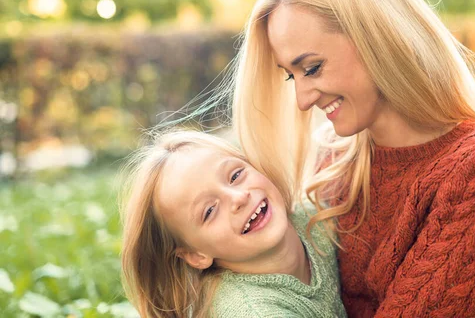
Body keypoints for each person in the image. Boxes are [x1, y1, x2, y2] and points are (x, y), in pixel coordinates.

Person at [226, 0, 475, 317]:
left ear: (375, 34)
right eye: (292, 77)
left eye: (312, 68)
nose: (303, 100)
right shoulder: (336, 163)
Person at [119, 130, 347, 317]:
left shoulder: (317, 218)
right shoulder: (250, 311)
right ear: (196, 255)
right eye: (209, 211)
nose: (238, 198)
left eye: (236, 175)